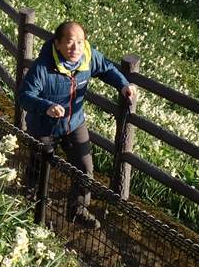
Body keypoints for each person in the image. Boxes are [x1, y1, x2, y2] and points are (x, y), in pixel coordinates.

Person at [16, 21, 136, 229]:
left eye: (80, 42)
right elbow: (24, 96)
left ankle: (77, 210)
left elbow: (106, 68)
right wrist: (46, 106)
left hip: (74, 123)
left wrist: (123, 85)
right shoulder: (43, 67)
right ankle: (29, 203)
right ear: (58, 43)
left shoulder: (88, 57)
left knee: (84, 167)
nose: (76, 48)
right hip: (43, 126)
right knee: (39, 167)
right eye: (70, 42)